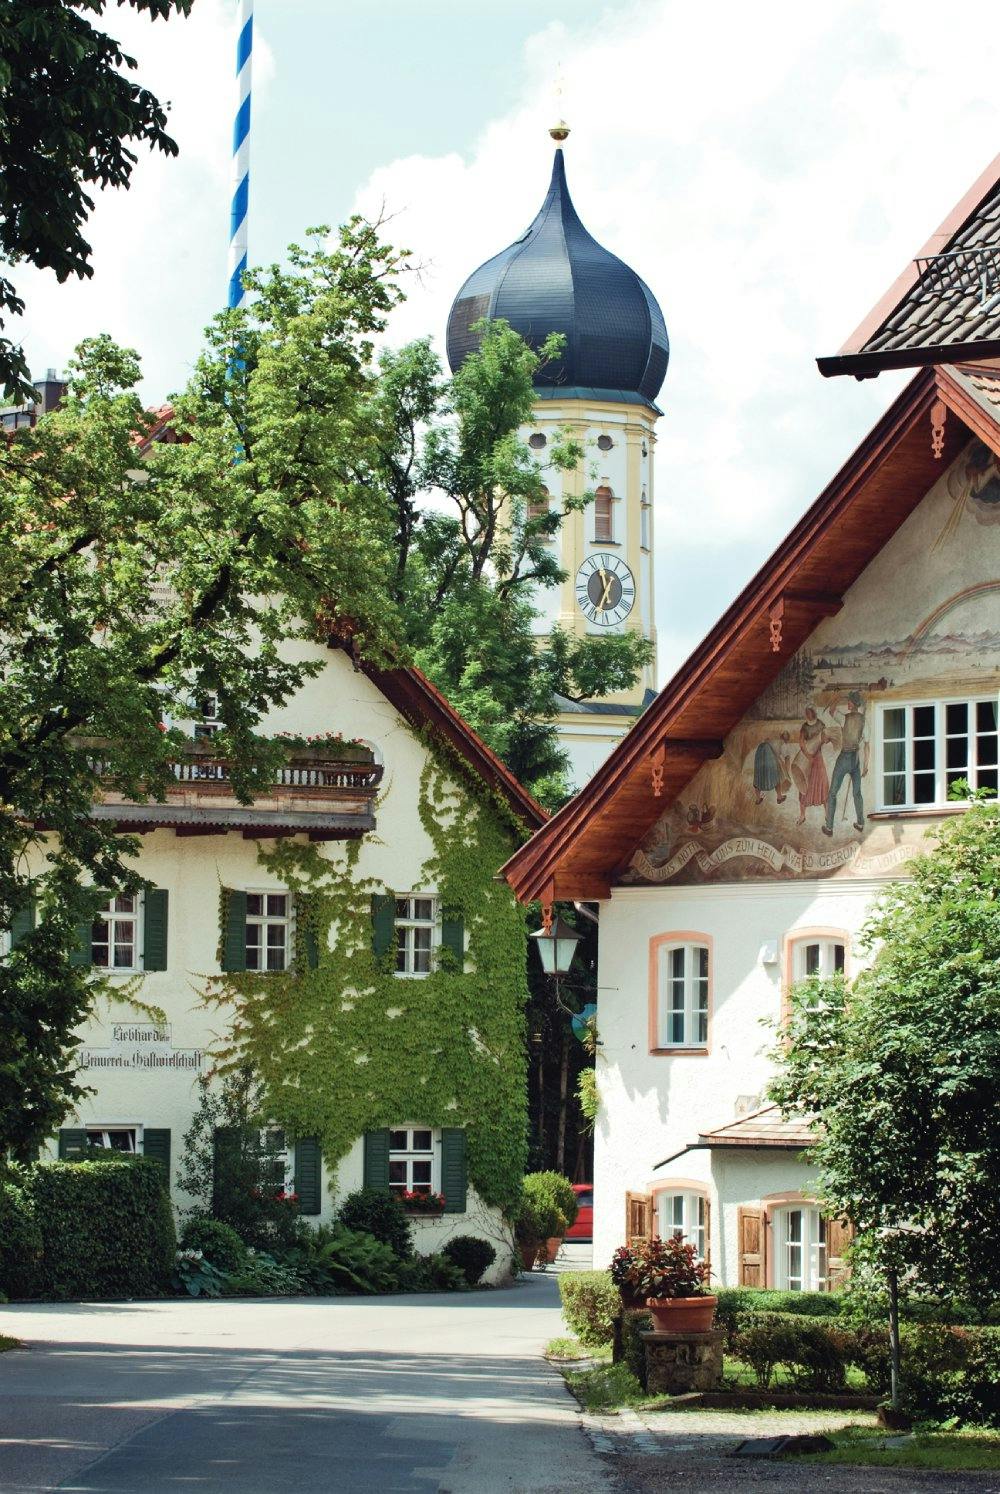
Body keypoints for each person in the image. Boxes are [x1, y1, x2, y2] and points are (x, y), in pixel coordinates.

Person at [822, 692, 868, 836]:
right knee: (857, 793)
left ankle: (829, 828)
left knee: (832, 793)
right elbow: (867, 745)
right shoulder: (864, 720)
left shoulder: (844, 718)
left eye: (849, 701)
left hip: (844, 758)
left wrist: (836, 697)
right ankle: (860, 823)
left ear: (853, 704)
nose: (847, 703)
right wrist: (866, 765)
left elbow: (831, 711)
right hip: (855, 759)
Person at [791, 706, 830, 826]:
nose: (807, 715)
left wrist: (826, 739)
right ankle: (802, 816)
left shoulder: (820, 724)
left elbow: (826, 737)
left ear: (813, 713)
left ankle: (828, 815)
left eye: (809, 712)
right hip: (806, 759)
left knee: (823, 784)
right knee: (804, 784)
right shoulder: (805, 727)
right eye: (806, 713)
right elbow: (801, 743)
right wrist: (808, 756)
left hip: (818, 759)